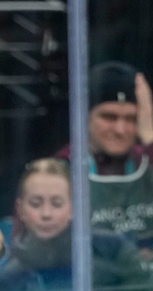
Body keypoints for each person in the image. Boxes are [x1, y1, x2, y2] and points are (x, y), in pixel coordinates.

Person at [0, 157, 153, 291]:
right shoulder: (10, 278)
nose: (46, 214)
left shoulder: (113, 250)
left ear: (74, 206)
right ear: (20, 209)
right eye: (36, 204)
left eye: (57, 203)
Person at [55, 61, 153, 261]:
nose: (120, 130)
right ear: (84, 117)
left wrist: (150, 139)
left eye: (131, 119)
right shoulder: (62, 170)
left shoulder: (147, 162)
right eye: (109, 117)